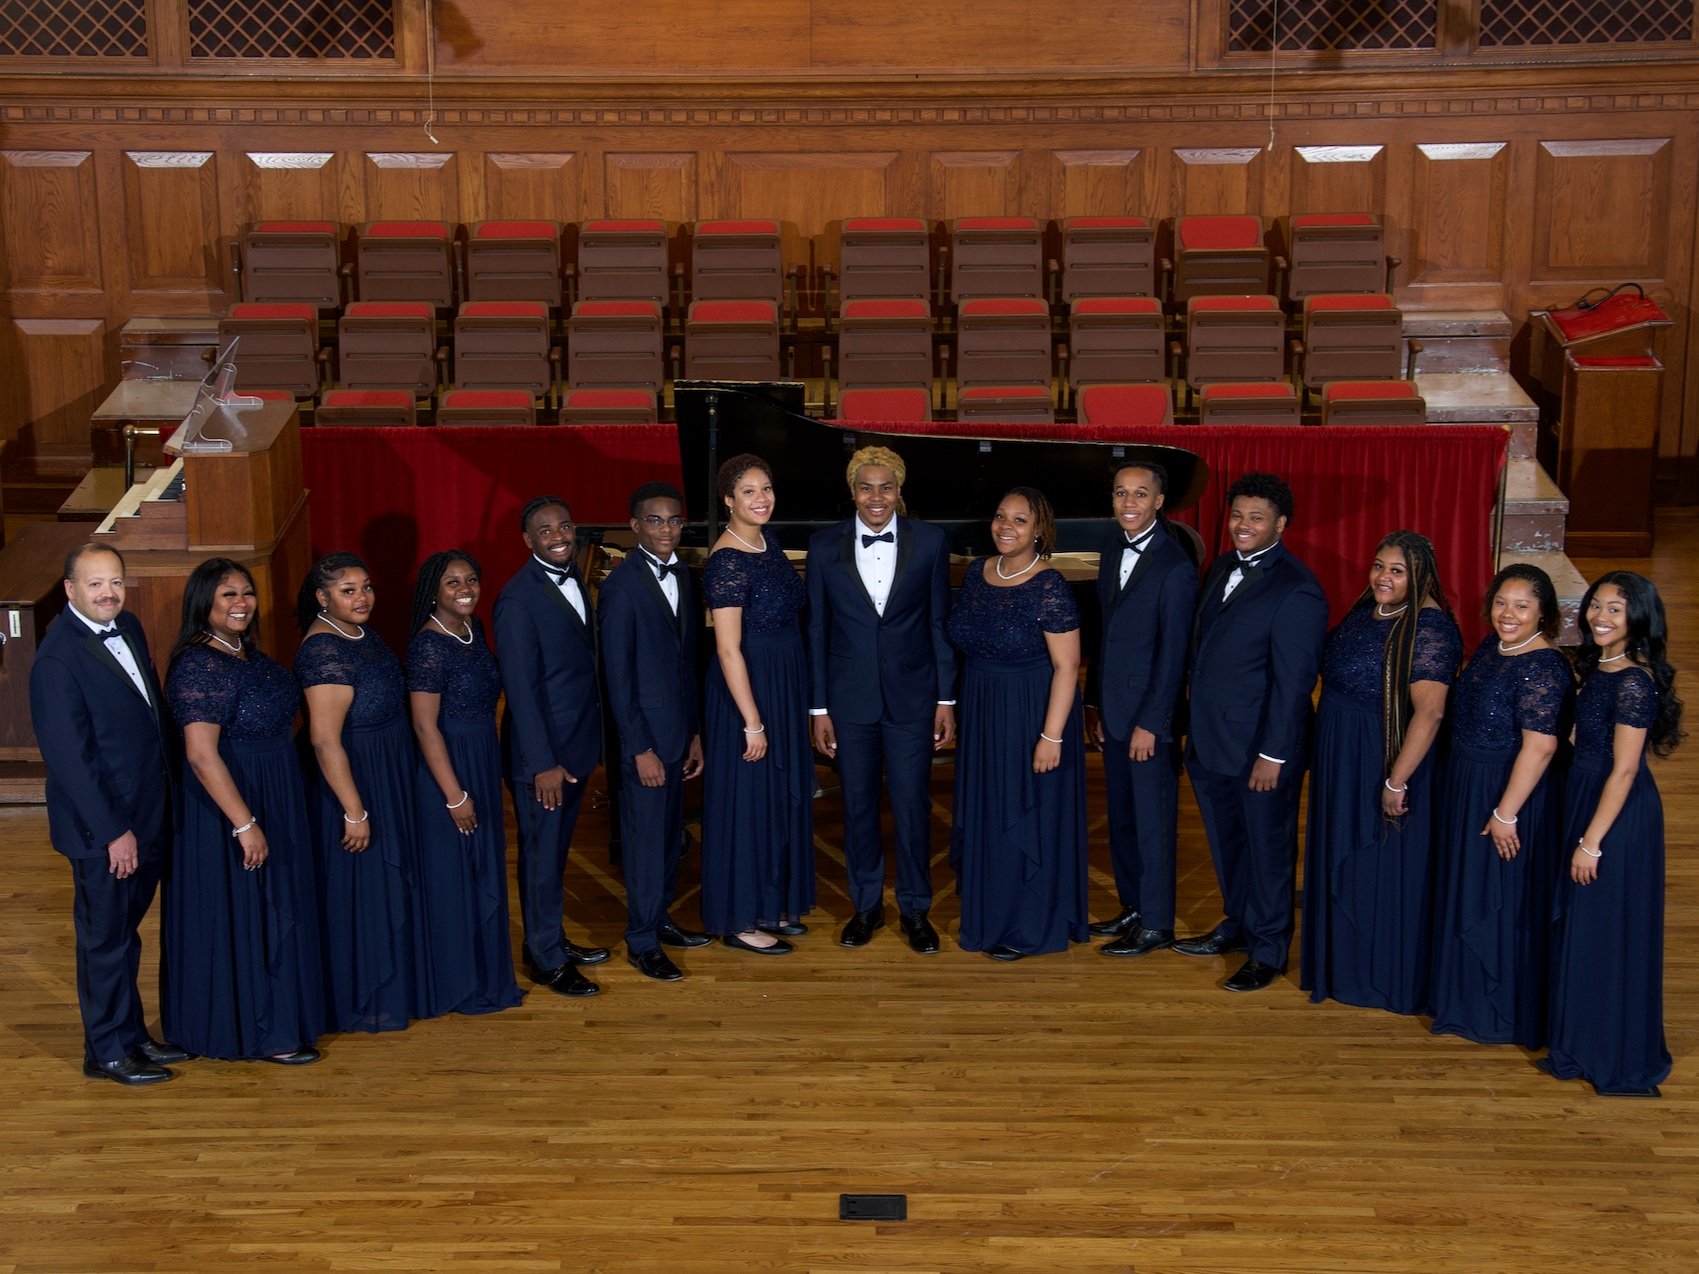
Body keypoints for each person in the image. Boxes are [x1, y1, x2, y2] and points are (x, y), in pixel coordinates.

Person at [30, 543, 189, 1085]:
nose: (108, 593)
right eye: (95, 584)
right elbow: (71, 760)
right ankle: (106, 1052)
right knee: (104, 940)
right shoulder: (56, 658)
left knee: (125, 933)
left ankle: (132, 1036)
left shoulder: (132, 627)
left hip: (146, 812)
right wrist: (113, 832)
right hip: (105, 828)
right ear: (71, 590)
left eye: (115, 581)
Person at [162, 558, 325, 1064]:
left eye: (246, 593)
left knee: (275, 903)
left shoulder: (246, 654)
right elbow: (200, 754)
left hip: (274, 791)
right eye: (227, 595)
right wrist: (245, 823)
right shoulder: (200, 663)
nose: (240, 603)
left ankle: (281, 1019)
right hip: (230, 806)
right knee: (246, 911)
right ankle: (256, 1031)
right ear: (204, 603)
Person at [1176, 472, 1328, 992]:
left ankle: (1268, 948)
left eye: (1256, 518)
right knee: (1227, 842)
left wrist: (1275, 754)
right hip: (1211, 741)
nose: (1243, 525)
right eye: (1237, 515)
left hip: (1261, 750)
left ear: (1280, 524)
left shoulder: (1299, 589)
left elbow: (1294, 685)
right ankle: (1238, 924)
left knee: (1268, 850)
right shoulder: (1220, 566)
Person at [1299, 532, 1462, 1014]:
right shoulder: (1367, 610)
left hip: (1383, 758)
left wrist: (1396, 780)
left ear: (1420, 576)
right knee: (1343, 861)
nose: (1382, 577)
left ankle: (1380, 977)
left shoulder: (1430, 628)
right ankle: (1341, 967)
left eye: (1396, 570)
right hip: (1340, 754)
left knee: (1380, 865)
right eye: (1378, 566)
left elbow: (1430, 714)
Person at [806, 446, 956, 954]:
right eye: (866, 487)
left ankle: (915, 908)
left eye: (886, 487)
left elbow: (938, 622)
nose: (876, 497)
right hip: (848, 705)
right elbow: (818, 630)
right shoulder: (822, 546)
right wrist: (819, 708)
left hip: (914, 700)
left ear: (899, 491)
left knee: (914, 807)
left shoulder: (932, 542)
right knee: (858, 807)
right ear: (852, 492)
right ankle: (866, 906)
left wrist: (946, 699)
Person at [1540, 571, 1682, 1096]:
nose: (1600, 616)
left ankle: (1610, 1051)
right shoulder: (1600, 669)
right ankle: (1578, 1042)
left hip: (1615, 817)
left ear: (1638, 618)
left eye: (1615, 609)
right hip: (1587, 797)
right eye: (1596, 606)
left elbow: (1624, 770)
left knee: (1604, 930)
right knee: (1584, 929)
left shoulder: (1632, 683)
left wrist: (1590, 841)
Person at [1428, 563, 1573, 1048]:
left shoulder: (1545, 667)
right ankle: (1459, 998)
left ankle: (1495, 1010)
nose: (1508, 614)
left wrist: (1506, 813)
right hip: (1469, 784)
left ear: (1544, 614)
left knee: (1497, 896)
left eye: (1522, 606)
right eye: (1501, 603)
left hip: (1508, 793)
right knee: (1467, 886)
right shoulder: (1495, 646)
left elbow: (1542, 747)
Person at [295, 552, 436, 1032]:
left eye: (366, 586)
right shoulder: (323, 650)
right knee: (363, 889)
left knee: (386, 883)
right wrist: (354, 810)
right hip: (357, 779)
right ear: (322, 596)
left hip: (387, 771)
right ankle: (366, 996)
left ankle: (398, 985)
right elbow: (323, 739)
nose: (362, 597)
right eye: (348, 590)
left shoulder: (358, 633)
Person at [947, 486, 1087, 960]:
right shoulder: (977, 572)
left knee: (1022, 813)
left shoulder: (1049, 585)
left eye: (1020, 520)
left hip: (1030, 711)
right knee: (989, 811)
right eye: (1001, 516)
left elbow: (1067, 667)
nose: (1007, 527)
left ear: (1040, 531)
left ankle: (1028, 926)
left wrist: (1051, 737)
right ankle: (989, 915)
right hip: (982, 706)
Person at [494, 497, 609, 997]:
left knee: (555, 854)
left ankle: (553, 940)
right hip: (542, 759)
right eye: (546, 530)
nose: (559, 535)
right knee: (541, 860)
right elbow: (520, 689)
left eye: (565, 525)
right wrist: (542, 763)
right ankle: (544, 959)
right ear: (528, 540)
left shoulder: (575, 575)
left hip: (576, 746)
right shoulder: (517, 599)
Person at [1082, 460, 1198, 958]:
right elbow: (1103, 634)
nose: (1128, 503)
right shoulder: (1111, 547)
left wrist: (1155, 722)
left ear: (1158, 502)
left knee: (1152, 821)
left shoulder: (1176, 566)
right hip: (1113, 709)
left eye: (1139, 494)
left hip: (1149, 718)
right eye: (1120, 493)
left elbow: (1175, 655)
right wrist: (1093, 702)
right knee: (1124, 817)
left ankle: (1157, 923)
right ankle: (1133, 906)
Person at [700, 454, 815, 953]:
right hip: (747, 690)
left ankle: (770, 904)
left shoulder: (766, 541)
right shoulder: (727, 559)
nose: (761, 498)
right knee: (747, 803)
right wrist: (751, 721)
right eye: (748, 491)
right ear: (728, 500)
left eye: (765, 488)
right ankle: (740, 919)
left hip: (782, 681)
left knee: (777, 797)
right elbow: (727, 648)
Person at [598, 483, 709, 981]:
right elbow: (617, 679)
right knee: (644, 843)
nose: (666, 529)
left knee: (668, 838)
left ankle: (660, 919)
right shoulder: (622, 587)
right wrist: (638, 746)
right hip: (643, 740)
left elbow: (687, 664)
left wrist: (693, 733)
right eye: (656, 521)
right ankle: (641, 939)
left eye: (674, 521)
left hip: (675, 732)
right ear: (636, 526)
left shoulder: (683, 574)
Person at [407, 550, 524, 1014]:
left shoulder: (470, 632)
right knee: (454, 877)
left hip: (479, 757)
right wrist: (454, 795)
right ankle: (458, 984)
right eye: (452, 582)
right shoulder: (429, 645)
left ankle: (486, 975)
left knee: (479, 870)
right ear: (433, 591)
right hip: (448, 769)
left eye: (471, 580)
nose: (465, 589)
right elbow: (423, 726)